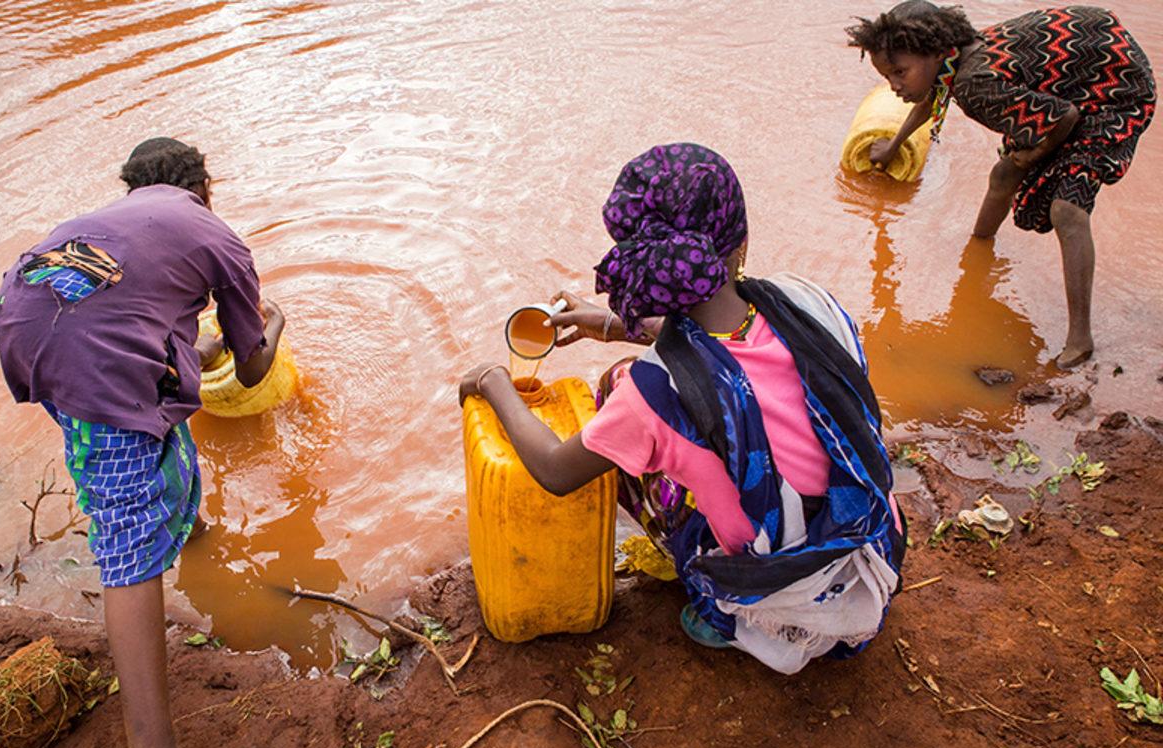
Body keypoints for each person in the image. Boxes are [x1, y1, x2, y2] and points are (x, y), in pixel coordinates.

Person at [459, 143, 905, 675]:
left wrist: (494, 383)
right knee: (693, 416)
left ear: (641, 267)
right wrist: (607, 324)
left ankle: (721, 616)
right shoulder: (809, 301)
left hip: (777, 597)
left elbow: (555, 471)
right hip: (873, 552)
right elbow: (729, 345)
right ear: (741, 241)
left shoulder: (652, 391)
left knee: (619, 384)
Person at [0, 138, 281, 748]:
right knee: (126, 541)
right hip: (89, 350)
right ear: (205, 186)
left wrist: (197, 352)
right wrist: (276, 324)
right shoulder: (215, 233)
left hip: (24, 321)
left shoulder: (108, 227)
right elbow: (253, 366)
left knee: (135, 433)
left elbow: (145, 334)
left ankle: (190, 530)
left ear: (132, 185)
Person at [847, 2, 1156, 369]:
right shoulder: (956, 59)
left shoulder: (976, 85)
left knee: (1066, 209)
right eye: (888, 78)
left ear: (934, 52)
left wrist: (1033, 154)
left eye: (900, 72)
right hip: (1071, 83)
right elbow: (932, 98)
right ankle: (979, 248)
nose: (895, 86)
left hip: (1111, 92)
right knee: (1003, 175)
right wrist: (895, 145)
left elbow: (1065, 118)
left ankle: (1080, 340)